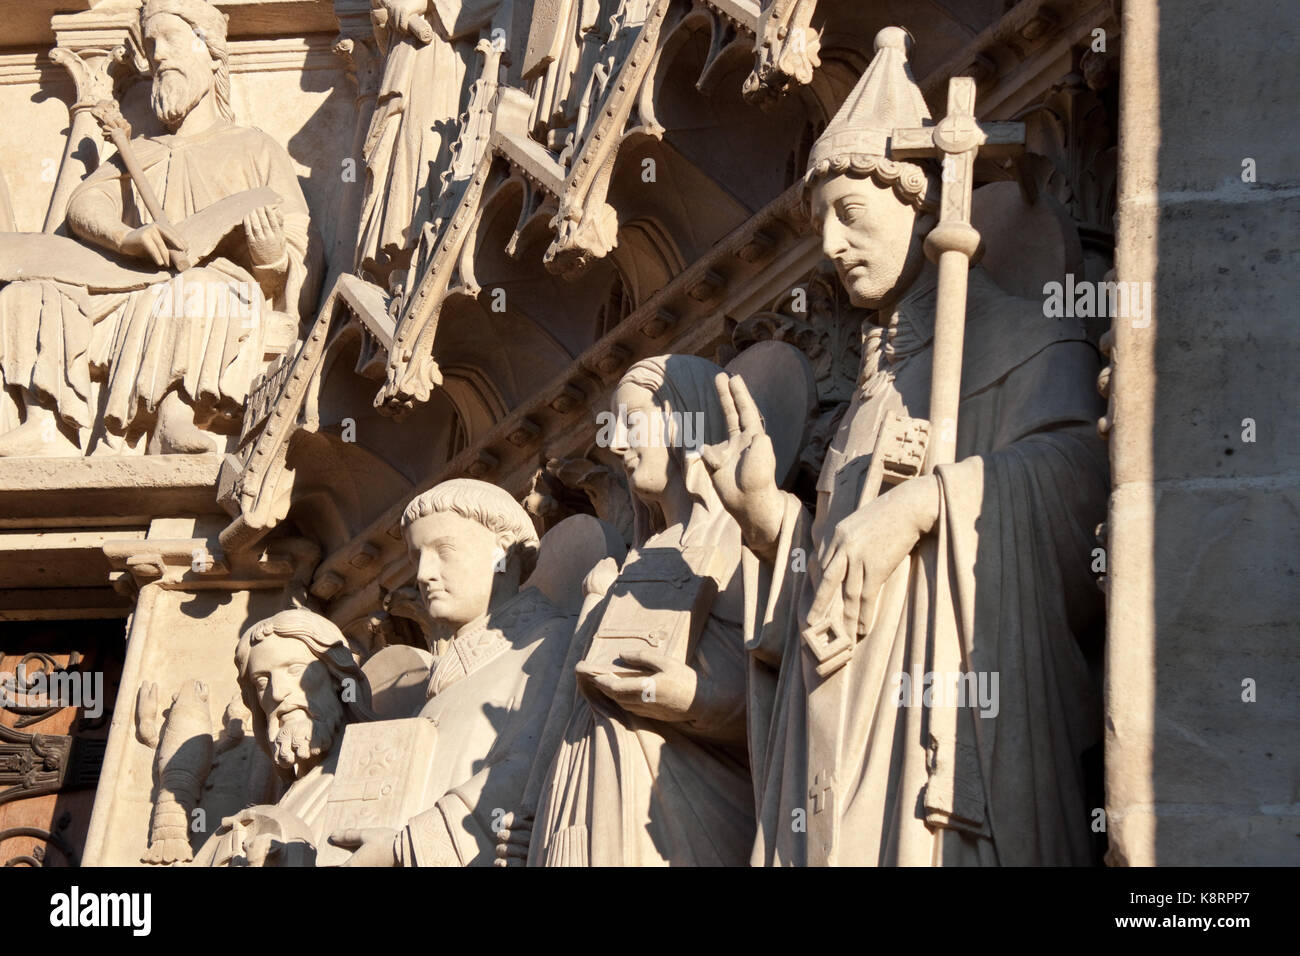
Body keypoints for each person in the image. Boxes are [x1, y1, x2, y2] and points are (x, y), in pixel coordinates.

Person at [701, 27, 1108, 865]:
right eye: (821, 226)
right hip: (839, 734)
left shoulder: (1024, 340)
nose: (833, 246)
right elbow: (834, 579)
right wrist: (772, 524)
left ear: (919, 201)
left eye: (851, 215)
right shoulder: (870, 389)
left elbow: (1082, 492)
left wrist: (930, 503)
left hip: (943, 739)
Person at [0, 0, 320, 456]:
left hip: (205, 283)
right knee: (29, 291)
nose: (158, 56)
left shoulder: (252, 148)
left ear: (211, 51)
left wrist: (270, 253)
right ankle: (45, 421)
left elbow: (296, 248)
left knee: (200, 288)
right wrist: (125, 238)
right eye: (151, 45)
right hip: (124, 282)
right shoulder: (140, 150)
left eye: (170, 39)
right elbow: (87, 203)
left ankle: (175, 414)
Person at [531, 355, 756, 866]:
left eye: (631, 423)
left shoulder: (742, 540)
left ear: (684, 420)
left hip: (675, 811)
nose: (615, 445)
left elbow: (781, 692)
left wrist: (692, 699)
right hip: (581, 802)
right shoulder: (627, 564)